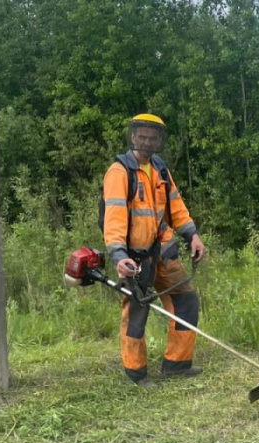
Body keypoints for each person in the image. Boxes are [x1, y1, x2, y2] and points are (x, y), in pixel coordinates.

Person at [102, 113, 206, 389]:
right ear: (133, 137)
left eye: (153, 138)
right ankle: (136, 374)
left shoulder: (160, 168)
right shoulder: (119, 172)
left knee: (186, 301)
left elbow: (177, 206)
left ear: (159, 140)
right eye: (142, 137)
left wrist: (192, 235)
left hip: (165, 251)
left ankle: (177, 364)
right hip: (135, 258)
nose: (147, 142)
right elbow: (113, 218)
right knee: (137, 311)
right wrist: (118, 255)